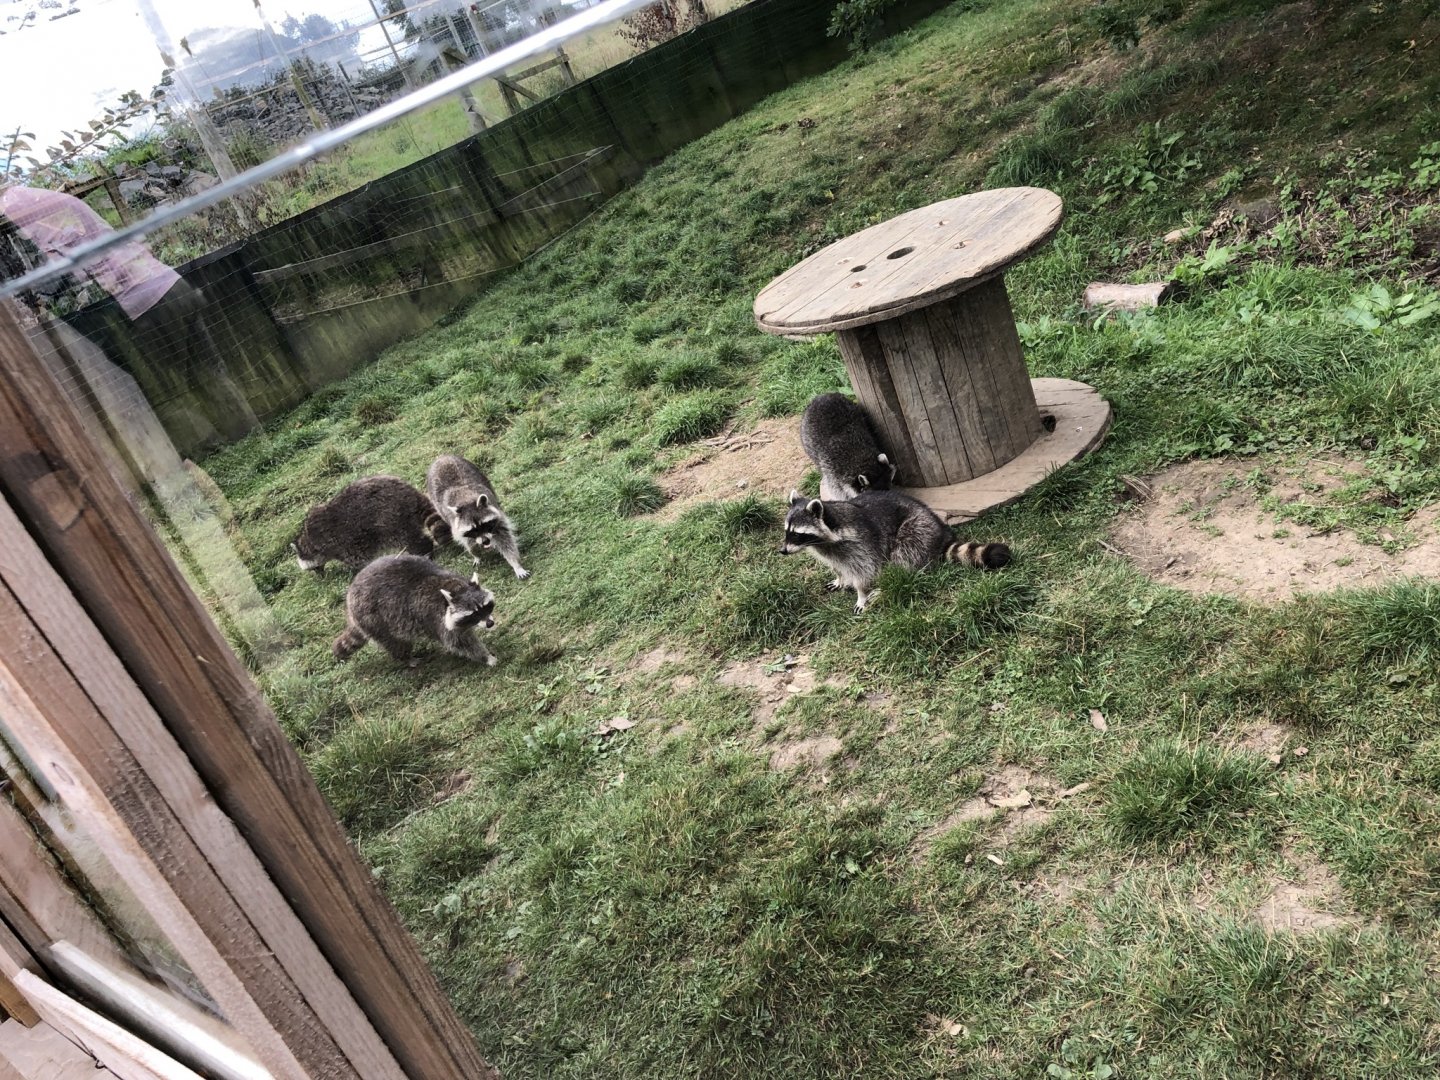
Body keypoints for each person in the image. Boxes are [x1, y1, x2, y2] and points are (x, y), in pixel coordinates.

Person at [0, 178, 257, 446]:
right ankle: (250, 437)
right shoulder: (50, 201)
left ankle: (209, 447)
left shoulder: (14, 210)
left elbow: (66, 276)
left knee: (164, 389)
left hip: (144, 303)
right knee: (210, 370)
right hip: (172, 283)